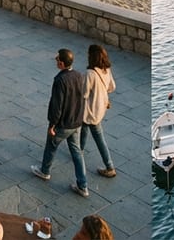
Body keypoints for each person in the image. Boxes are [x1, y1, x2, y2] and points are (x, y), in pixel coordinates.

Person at [31, 48, 88, 197]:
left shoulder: (60, 79)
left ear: (62, 63)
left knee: (51, 146)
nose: (56, 61)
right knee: (77, 153)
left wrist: (52, 125)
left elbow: (57, 105)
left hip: (63, 123)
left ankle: (45, 171)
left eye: (57, 60)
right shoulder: (78, 75)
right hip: (76, 122)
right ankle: (83, 185)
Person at [81, 44, 117, 178]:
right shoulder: (106, 69)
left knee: (97, 136)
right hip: (101, 108)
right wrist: (102, 92)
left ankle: (110, 166)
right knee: (85, 129)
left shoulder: (90, 73)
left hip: (90, 110)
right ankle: (79, 150)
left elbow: (84, 94)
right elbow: (112, 86)